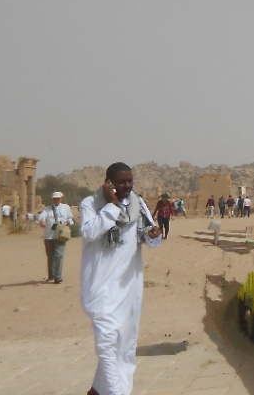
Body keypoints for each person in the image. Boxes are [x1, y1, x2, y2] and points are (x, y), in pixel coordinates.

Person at [80, 162, 162, 395]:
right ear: (109, 184)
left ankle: (98, 391)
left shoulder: (138, 204)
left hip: (128, 287)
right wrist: (112, 206)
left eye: (130, 181)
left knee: (124, 345)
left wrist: (153, 236)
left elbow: (149, 237)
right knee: (107, 344)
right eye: (122, 182)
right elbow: (89, 232)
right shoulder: (91, 204)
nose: (127, 186)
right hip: (100, 287)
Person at [37, 191, 74, 284]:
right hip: (49, 236)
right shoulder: (47, 209)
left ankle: (58, 276)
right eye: (54, 198)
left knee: (59, 255)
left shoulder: (66, 208)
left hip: (61, 235)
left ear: (61, 199)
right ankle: (51, 275)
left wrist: (65, 224)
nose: (56, 200)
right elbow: (41, 216)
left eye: (58, 198)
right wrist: (41, 221)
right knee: (51, 256)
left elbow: (70, 219)